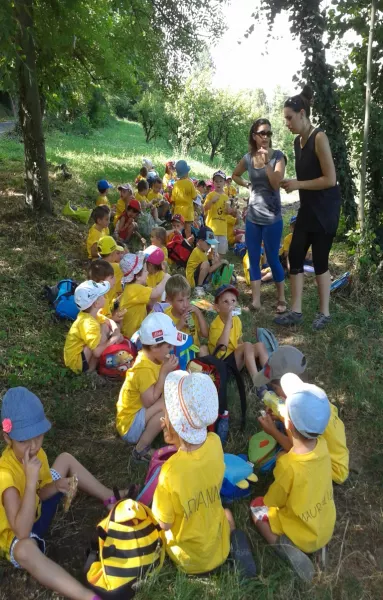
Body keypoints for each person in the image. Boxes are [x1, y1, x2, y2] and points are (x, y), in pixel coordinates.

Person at [0, 387, 127, 600]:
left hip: (38, 511)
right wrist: (30, 484)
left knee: (65, 458)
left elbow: (41, 491)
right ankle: (86, 596)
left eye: (37, 437)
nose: (32, 447)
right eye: (23, 441)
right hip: (19, 533)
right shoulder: (5, 475)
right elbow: (21, 530)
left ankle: (109, 497)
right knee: (25, 550)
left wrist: (57, 487)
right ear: (7, 438)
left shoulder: (36, 454)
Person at [250, 378, 336, 581]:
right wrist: (276, 427)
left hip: (300, 535)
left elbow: (273, 502)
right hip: (324, 527)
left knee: (257, 509)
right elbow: (298, 448)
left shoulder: (288, 466)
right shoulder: (322, 446)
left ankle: (286, 549)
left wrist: (273, 431)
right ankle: (319, 545)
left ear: (288, 422)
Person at [152, 370, 234, 574]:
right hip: (217, 545)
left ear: (174, 424)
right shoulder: (215, 443)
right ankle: (234, 544)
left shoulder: (170, 471)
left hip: (189, 560)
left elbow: (164, 523)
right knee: (227, 513)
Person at [276, 86, 341, 330]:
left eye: (290, 118)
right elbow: (308, 175)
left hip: (326, 210)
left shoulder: (319, 137)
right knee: (295, 255)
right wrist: (292, 183)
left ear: (302, 114)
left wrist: (297, 184)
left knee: (320, 261)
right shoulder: (297, 142)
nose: (287, 123)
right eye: (285, 119)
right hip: (308, 208)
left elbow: (330, 179)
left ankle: (324, 313)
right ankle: (296, 310)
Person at [255, 364, 349, 485]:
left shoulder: (301, 418)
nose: (277, 394)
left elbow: (295, 448)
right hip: (339, 457)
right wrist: (280, 417)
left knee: (283, 458)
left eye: (276, 389)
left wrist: (273, 431)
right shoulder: (319, 402)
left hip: (334, 472)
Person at [233, 118, 287, 313]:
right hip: (253, 217)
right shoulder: (248, 158)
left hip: (272, 218)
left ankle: (281, 298)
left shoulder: (278, 157)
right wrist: (247, 185)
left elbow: (275, 183)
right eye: (262, 133)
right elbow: (235, 175)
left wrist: (266, 165)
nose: (266, 137)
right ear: (254, 136)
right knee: (254, 256)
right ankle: (256, 300)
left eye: (269, 133)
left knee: (272, 258)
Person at [116, 313, 184, 462]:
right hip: (130, 426)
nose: (171, 348)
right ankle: (140, 449)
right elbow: (149, 401)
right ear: (154, 347)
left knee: (171, 398)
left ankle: (169, 431)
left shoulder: (154, 358)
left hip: (139, 415)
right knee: (167, 404)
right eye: (168, 345)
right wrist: (164, 372)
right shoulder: (143, 369)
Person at [208, 285, 268, 383]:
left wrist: (248, 352)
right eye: (225, 302)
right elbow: (222, 347)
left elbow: (239, 340)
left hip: (235, 358)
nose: (230, 304)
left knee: (260, 346)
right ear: (217, 308)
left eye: (233, 301)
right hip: (222, 364)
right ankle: (258, 382)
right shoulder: (215, 325)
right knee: (247, 345)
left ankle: (270, 375)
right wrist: (228, 322)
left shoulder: (237, 320)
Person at [64, 280, 122, 374]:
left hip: (82, 354)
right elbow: (97, 352)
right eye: (102, 296)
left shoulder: (92, 314)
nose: (105, 297)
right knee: (100, 337)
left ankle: (99, 362)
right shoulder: (89, 324)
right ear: (96, 303)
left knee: (104, 327)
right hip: (76, 362)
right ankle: (91, 372)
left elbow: (108, 321)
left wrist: (116, 331)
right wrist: (114, 338)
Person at [118, 252, 170, 339]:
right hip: (133, 335)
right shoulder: (135, 289)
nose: (148, 273)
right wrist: (166, 277)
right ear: (137, 276)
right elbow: (156, 292)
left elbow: (150, 303)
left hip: (133, 331)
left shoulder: (131, 287)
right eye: (146, 271)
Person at [164, 275, 208, 352]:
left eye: (188, 299)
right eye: (180, 301)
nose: (186, 304)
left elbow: (205, 334)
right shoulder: (166, 316)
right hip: (177, 354)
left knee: (203, 349)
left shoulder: (192, 313)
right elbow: (166, 342)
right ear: (170, 301)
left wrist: (198, 313)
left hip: (194, 352)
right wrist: (179, 325)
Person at [185, 226, 223, 291]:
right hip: (191, 280)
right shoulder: (198, 252)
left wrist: (212, 253)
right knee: (206, 264)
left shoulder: (202, 250)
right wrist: (221, 262)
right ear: (200, 241)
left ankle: (204, 283)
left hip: (196, 275)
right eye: (208, 243)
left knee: (212, 262)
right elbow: (209, 270)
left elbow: (210, 259)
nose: (210, 246)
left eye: (211, 244)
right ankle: (199, 287)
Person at [204, 170, 229, 257]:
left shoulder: (226, 197)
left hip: (222, 229)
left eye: (221, 181)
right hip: (211, 228)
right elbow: (205, 208)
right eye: (216, 181)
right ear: (213, 183)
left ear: (224, 183)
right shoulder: (210, 195)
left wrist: (229, 210)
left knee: (221, 252)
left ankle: (218, 268)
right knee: (211, 252)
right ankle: (210, 268)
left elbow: (228, 212)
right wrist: (212, 201)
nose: (218, 183)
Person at [172, 160, 197, 239]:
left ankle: (176, 243)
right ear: (186, 172)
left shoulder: (175, 184)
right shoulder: (190, 183)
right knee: (187, 230)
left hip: (178, 210)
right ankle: (188, 245)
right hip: (188, 211)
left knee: (177, 229)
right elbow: (195, 197)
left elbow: (173, 199)